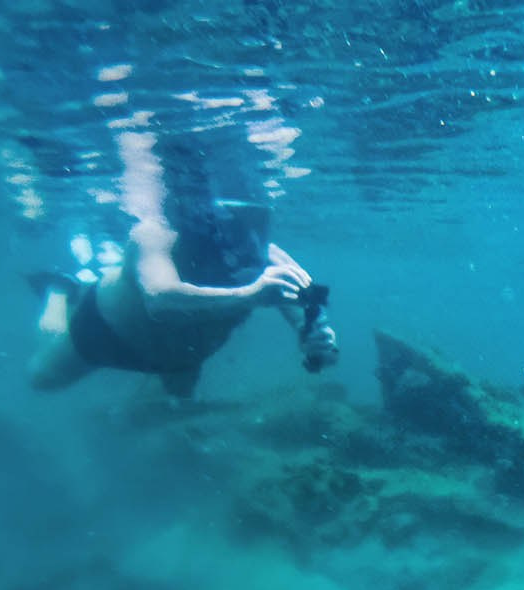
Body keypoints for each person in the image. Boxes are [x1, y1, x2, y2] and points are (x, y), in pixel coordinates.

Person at [28, 128, 337, 396]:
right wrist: (248, 295)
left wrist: (311, 333)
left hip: (184, 356)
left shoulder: (258, 247)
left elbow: (297, 296)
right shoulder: (153, 234)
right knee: (41, 379)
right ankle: (58, 291)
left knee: (180, 395)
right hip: (108, 336)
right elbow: (160, 299)